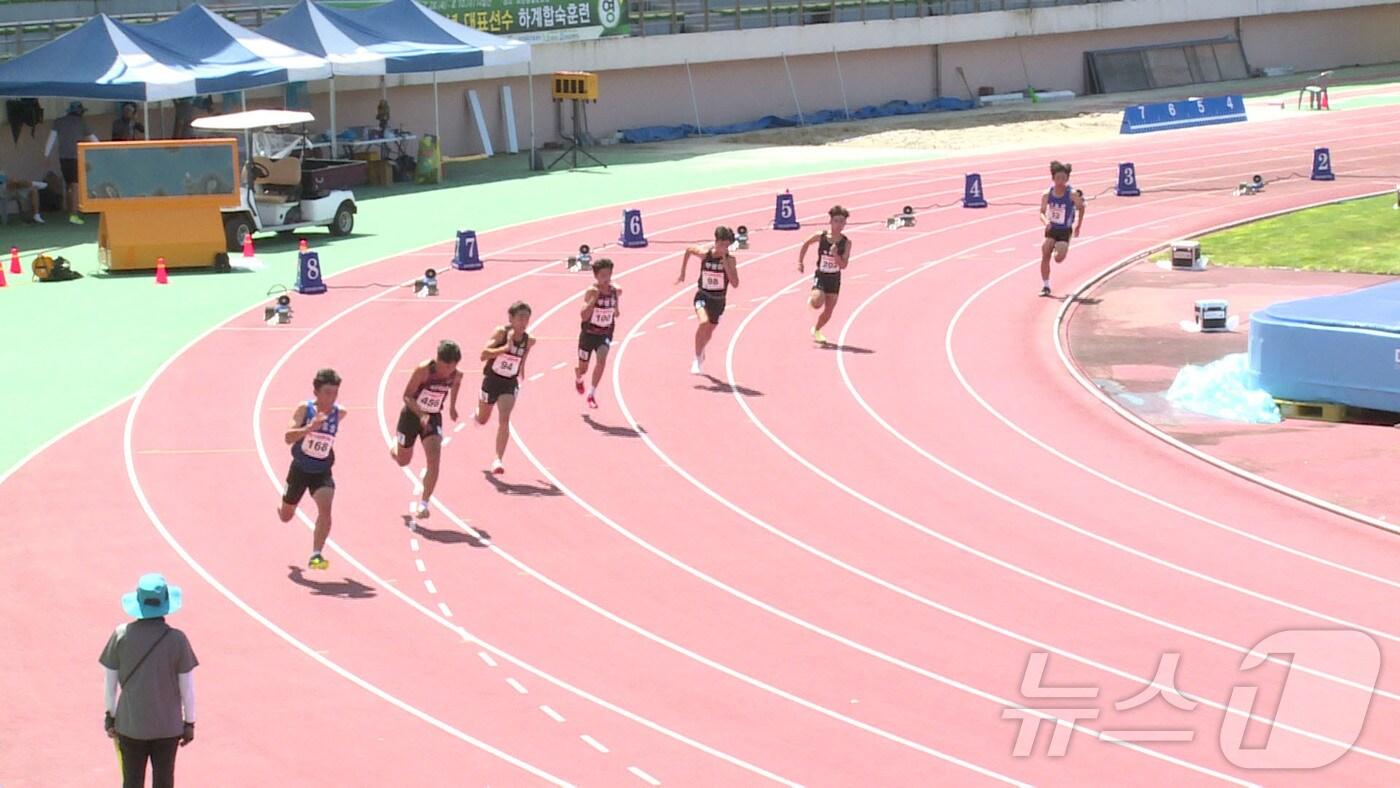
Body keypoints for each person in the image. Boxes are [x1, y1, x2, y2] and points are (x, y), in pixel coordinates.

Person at [100, 573, 198, 788]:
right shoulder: (177, 640)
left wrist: (110, 716)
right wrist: (189, 722)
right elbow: (188, 689)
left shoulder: (120, 635)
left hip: (130, 725)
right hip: (167, 727)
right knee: (164, 781)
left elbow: (110, 685)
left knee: (132, 781)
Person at [277, 368, 345, 570]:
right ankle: (282, 507)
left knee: (326, 507)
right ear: (316, 392)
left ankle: (316, 554)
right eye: (327, 392)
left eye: (335, 392)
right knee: (286, 516)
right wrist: (309, 428)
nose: (331, 397)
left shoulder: (339, 413)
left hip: (322, 471)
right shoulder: (304, 410)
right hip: (299, 469)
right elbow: (288, 437)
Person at [392, 341, 463, 519]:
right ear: (438, 360)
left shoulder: (456, 375)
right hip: (411, 416)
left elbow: (456, 386)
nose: (448, 371)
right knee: (403, 461)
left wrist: (452, 407)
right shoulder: (424, 370)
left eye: (452, 367)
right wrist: (421, 414)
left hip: (433, 418)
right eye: (445, 366)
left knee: (434, 460)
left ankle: (424, 504)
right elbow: (407, 396)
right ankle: (395, 446)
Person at [476, 302, 536, 474]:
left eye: (527, 318)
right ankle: (478, 411)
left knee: (504, 418)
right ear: (511, 318)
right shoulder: (501, 333)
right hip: (492, 380)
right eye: (520, 317)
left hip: (509, 383)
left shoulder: (529, 340)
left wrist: (522, 369)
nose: (524, 322)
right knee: (482, 420)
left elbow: (523, 355)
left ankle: (497, 459)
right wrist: (504, 348)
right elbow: (483, 354)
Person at [675, 226, 740, 374]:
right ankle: (697, 359)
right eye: (721, 244)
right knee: (703, 322)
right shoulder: (706, 254)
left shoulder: (730, 260)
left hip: (718, 301)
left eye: (726, 245)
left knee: (708, 332)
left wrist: (726, 266)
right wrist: (682, 273)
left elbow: (735, 284)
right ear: (716, 242)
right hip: (703, 295)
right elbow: (689, 250)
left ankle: (701, 351)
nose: (723, 248)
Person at [797, 205, 853, 344]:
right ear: (831, 221)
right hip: (821, 275)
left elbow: (844, 265)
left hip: (834, 279)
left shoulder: (846, 243)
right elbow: (806, 243)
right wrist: (800, 261)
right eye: (836, 221)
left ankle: (816, 330)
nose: (839, 225)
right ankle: (814, 298)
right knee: (817, 302)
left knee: (828, 312)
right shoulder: (821, 236)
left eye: (842, 222)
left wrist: (835, 255)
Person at [575, 258, 621, 409]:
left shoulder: (614, 291)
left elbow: (617, 312)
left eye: (609, 274)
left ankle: (591, 393)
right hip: (588, 335)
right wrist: (593, 301)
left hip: (604, 334)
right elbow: (583, 315)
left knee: (602, 359)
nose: (606, 278)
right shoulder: (592, 291)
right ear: (596, 276)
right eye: (603, 275)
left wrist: (613, 310)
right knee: (584, 368)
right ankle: (579, 377)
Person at [43, 101, 98, 225]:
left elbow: (51, 139)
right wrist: (101, 150)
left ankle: (69, 211)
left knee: (69, 185)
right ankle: (74, 214)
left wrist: (46, 155)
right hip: (76, 156)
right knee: (75, 185)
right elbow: (94, 139)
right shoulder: (81, 122)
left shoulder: (58, 122)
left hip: (63, 157)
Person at [1038, 160, 1086, 297]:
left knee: (1058, 258)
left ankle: (1058, 248)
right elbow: (1041, 212)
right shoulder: (1046, 194)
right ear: (1053, 178)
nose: (1060, 181)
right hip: (1051, 229)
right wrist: (1046, 222)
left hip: (1065, 231)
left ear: (1067, 179)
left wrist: (1078, 225)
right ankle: (1046, 286)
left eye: (1063, 179)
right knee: (1045, 252)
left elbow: (1082, 207)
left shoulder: (1072, 194)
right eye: (1058, 178)